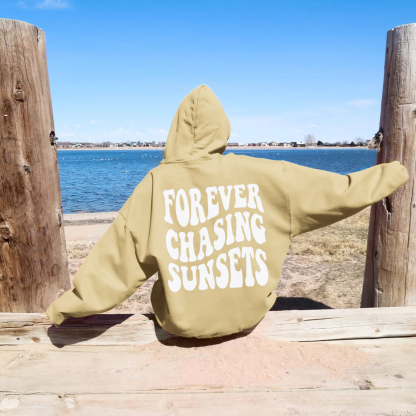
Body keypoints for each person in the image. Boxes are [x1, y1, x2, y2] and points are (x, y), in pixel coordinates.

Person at [46, 85, 409, 338]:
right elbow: (340, 191)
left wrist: (67, 307)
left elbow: (118, 260)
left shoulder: (157, 183)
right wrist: (394, 171)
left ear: (174, 132)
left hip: (179, 324)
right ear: (221, 129)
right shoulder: (267, 174)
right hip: (249, 317)